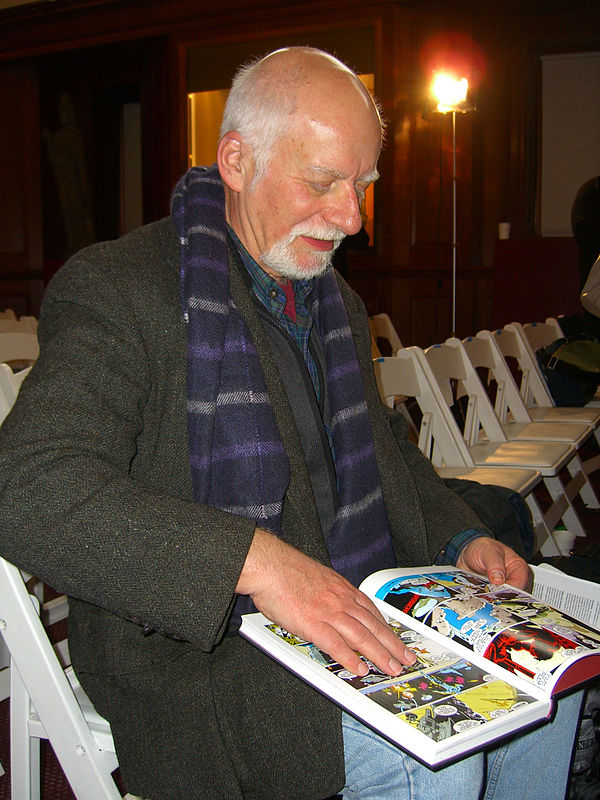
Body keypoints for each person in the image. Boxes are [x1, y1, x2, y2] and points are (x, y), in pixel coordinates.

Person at [0, 47, 582, 800]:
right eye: (322, 182)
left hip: (357, 597)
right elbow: (26, 487)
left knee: (548, 687)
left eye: (363, 185)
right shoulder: (120, 289)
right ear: (236, 160)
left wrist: (459, 535)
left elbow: (387, 448)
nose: (352, 219)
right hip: (204, 652)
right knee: (438, 750)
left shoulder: (329, 297)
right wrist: (261, 564)